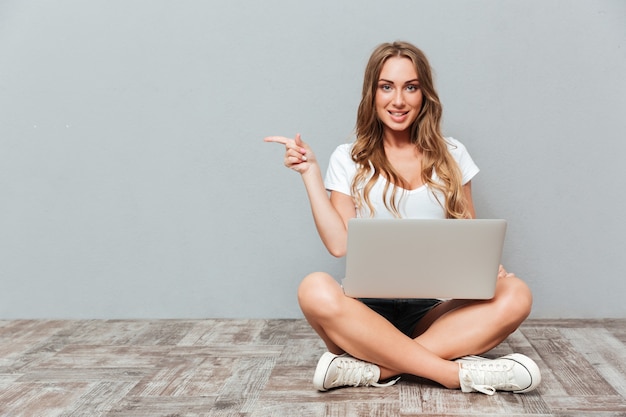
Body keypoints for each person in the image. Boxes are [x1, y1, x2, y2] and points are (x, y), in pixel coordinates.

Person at [264, 41, 541, 395]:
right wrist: (310, 173)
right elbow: (338, 244)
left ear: (424, 93)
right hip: (364, 315)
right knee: (313, 287)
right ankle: (453, 374)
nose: (398, 100)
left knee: (516, 293)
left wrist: (489, 268)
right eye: (386, 87)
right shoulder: (347, 157)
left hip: (433, 313)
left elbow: (469, 238)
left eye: (410, 87)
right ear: (372, 93)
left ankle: (375, 370)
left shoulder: (453, 154)